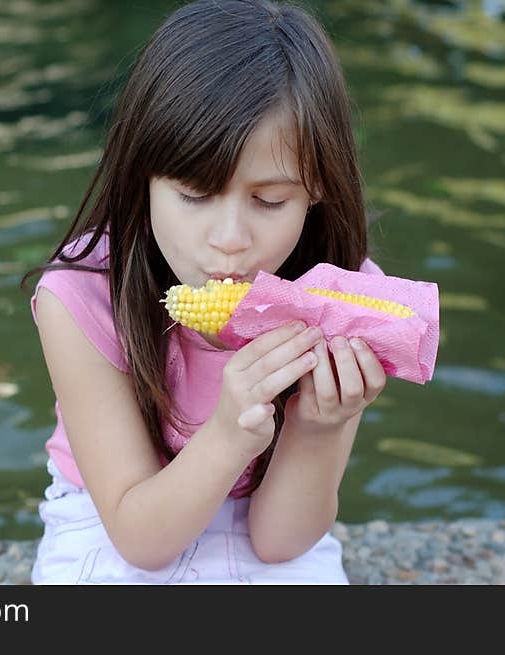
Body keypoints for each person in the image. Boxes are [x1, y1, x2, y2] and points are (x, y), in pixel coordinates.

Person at [21, 0, 387, 584]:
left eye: (269, 201)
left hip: (261, 513)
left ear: (317, 187)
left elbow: (279, 543)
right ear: (143, 178)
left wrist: (319, 428)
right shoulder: (82, 297)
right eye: (194, 195)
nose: (228, 242)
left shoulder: (340, 298)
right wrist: (225, 433)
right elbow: (141, 540)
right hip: (117, 512)